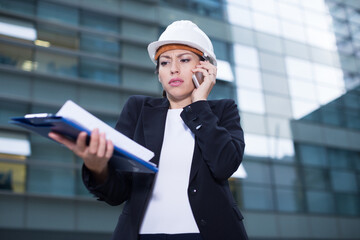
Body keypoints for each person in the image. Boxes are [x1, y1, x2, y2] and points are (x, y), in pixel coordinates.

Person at [49, 20, 248, 240]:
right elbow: (117, 193)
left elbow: (224, 165)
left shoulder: (222, 111)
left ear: (205, 68)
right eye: (164, 62)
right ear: (159, 74)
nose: (173, 69)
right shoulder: (138, 109)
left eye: (184, 60)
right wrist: (97, 168)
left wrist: (199, 104)